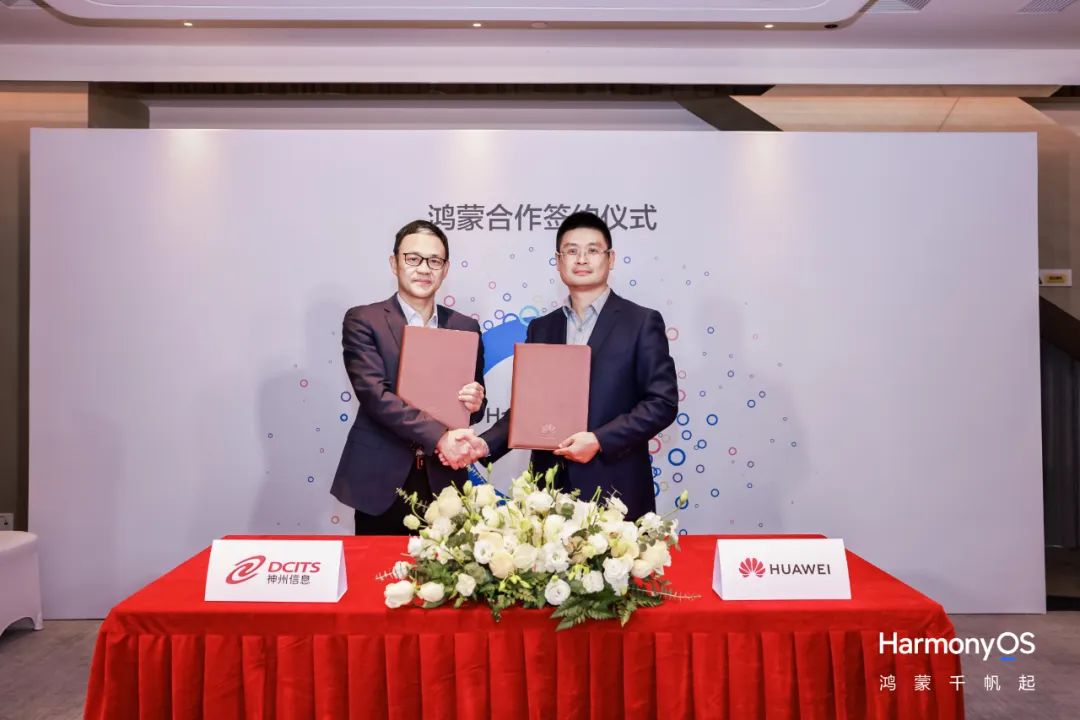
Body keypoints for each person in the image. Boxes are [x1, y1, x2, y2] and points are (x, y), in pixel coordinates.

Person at [474, 211, 678, 520]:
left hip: (617, 492)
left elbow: (662, 403)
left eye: (592, 250)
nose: (582, 259)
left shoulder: (641, 322)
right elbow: (529, 409)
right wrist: (483, 444)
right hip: (549, 494)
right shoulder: (542, 328)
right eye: (571, 251)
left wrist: (598, 440)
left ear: (610, 259)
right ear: (559, 261)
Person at [331, 220, 488, 535]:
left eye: (434, 261)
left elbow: (472, 407)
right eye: (413, 258)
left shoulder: (465, 327)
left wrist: (475, 401)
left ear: (445, 269)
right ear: (395, 263)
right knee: (378, 566)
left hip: (444, 479)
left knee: (446, 565)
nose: (424, 269)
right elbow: (376, 396)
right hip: (382, 479)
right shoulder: (364, 320)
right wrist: (440, 437)